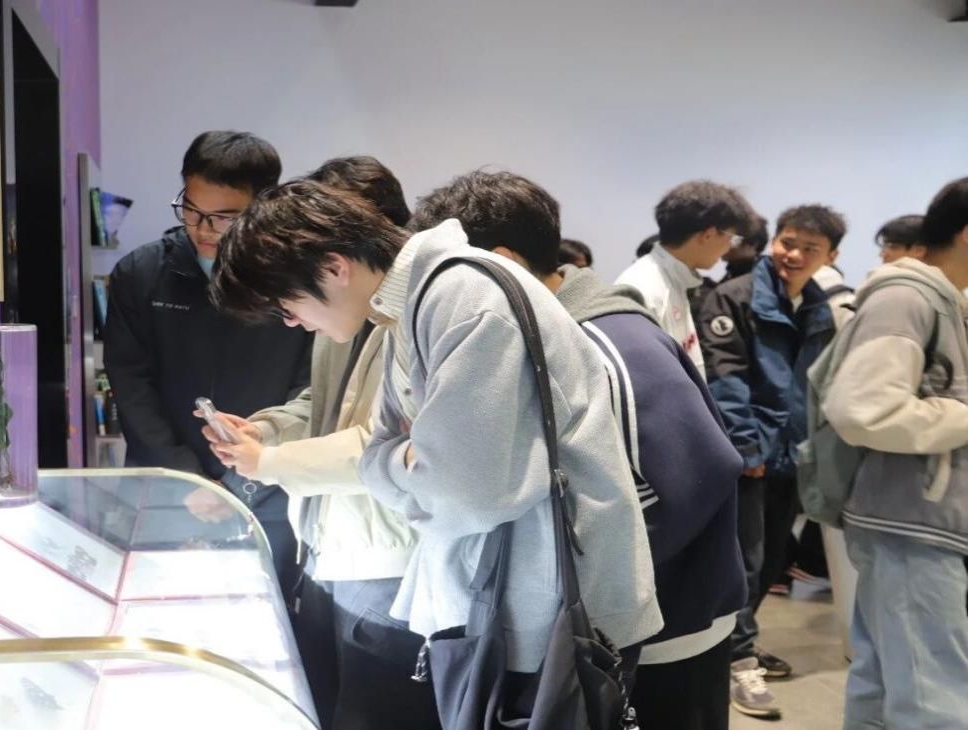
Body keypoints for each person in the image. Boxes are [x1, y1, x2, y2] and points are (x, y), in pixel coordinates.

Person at [212, 180, 662, 717]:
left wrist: (409, 462)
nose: (292, 322)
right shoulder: (413, 304)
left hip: (553, 616)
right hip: (507, 604)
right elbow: (390, 448)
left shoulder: (464, 298)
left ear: (334, 267)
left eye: (288, 305)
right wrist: (409, 459)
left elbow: (465, 494)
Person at [410, 170, 745, 730]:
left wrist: (598, 580)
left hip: (668, 627)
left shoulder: (610, 340)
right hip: (624, 628)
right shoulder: (552, 334)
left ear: (502, 262)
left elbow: (701, 474)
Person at [197, 156, 433, 730]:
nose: (291, 321)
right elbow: (323, 403)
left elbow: (392, 447)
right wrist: (266, 430)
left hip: (391, 559)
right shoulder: (346, 308)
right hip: (332, 545)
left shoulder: (418, 314)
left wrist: (270, 461)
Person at [102, 131, 312, 587]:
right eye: (191, 210)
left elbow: (309, 386)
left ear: (263, 205)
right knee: (156, 603)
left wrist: (243, 480)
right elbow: (131, 386)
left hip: (267, 489)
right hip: (164, 484)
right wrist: (187, 479)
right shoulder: (142, 274)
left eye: (223, 218)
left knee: (267, 609)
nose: (202, 229)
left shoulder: (294, 278)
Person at [821, 177, 968, 728]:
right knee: (934, 701)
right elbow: (862, 409)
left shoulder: (943, 301)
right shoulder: (908, 298)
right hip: (912, 525)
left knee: (886, 684)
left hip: (914, 521)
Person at [698, 204, 846, 720]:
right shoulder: (734, 297)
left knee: (775, 559)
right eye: (788, 242)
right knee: (745, 561)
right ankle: (736, 659)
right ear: (774, 241)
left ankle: (738, 644)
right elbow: (726, 377)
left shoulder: (819, 305)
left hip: (794, 454)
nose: (795, 255)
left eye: (810, 248)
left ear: (831, 256)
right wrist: (746, 447)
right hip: (751, 457)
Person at [616, 181, 755, 376]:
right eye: (731, 238)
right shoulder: (644, 290)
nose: (729, 247)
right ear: (709, 234)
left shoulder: (673, 280)